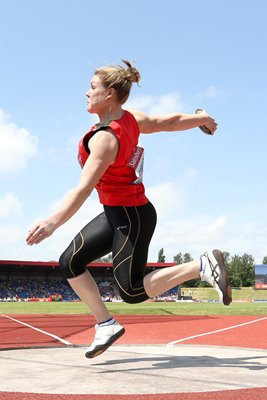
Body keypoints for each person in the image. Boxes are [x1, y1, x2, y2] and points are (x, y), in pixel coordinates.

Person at [26, 59, 232, 358]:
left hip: (131, 216)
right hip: (116, 212)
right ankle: (106, 324)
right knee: (70, 262)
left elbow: (83, 188)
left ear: (109, 94)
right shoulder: (130, 119)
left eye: (92, 87)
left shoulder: (105, 140)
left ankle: (201, 265)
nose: (86, 92)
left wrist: (52, 223)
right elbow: (169, 122)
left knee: (132, 291)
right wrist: (200, 118)